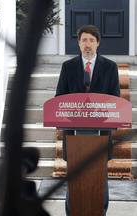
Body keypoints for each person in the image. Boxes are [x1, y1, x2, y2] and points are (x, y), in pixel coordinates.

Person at [55, 25, 120, 216]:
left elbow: (115, 101)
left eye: (91, 40)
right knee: (74, 178)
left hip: (100, 136)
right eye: (84, 40)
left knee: (100, 180)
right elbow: (60, 99)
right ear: (78, 43)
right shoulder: (68, 67)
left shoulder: (110, 67)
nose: (88, 44)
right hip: (75, 136)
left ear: (98, 43)